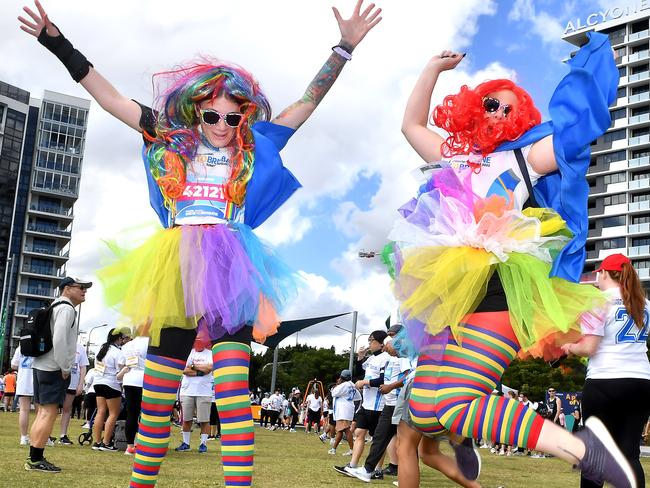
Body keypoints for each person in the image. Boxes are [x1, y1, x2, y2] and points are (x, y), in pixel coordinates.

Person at [19, 1, 381, 486]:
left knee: (232, 397)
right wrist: (57, 42)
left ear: (244, 118)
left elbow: (306, 105)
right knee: (157, 396)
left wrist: (344, 48)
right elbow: (108, 97)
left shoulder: (251, 149)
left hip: (232, 269)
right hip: (176, 271)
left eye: (234, 119)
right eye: (213, 115)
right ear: (196, 108)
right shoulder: (169, 138)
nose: (222, 126)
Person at [390, 30, 636, 487]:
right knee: (423, 408)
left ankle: (582, 449)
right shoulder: (452, 156)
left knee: (454, 403)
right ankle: (463, 446)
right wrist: (432, 69)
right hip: (446, 291)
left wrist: (592, 69)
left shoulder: (523, 158)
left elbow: (572, 132)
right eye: (491, 105)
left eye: (510, 109)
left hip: (500, 283)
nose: (500, 114)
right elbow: (411, 126)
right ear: (472, 108)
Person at [562, 254, 650, 488]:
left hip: (605, 381)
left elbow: (589, 347)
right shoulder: (645, 303)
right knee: (629, 455)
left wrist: (570, 347)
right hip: (641, 382)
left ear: (603, 273)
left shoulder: (597, 301)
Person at [26, 276, 90, 473]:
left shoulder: (55, 306)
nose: (84, 291)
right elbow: (60, 338)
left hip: (42, 365)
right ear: (67, 289)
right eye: (81, 287)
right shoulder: (67, 308)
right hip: (53, 367)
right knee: (49, 413)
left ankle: (34, 457)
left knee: (42, 413)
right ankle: (35, 460)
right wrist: (65, 367)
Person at [335, 330, 390, 475]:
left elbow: (384, 381)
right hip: (366, 403)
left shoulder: (386, 358)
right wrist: (360, 357)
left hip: (379, 405)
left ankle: (377, 470)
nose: (369, 343)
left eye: (371, 340)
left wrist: (366, 382)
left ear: (381, 343)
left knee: (377, 439)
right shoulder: (371, 358)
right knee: (359, 433)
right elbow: (358, 373)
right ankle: (352, 466)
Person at [92, 328, 130, 451]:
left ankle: (97, 441)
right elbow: (119, 372)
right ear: (119, 339)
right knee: (113, 413)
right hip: (111, 383)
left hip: (98, 382)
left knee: (100, 411)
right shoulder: (118, 352)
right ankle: (106, 443)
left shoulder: (102, 349)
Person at [175, 339, 213, 453]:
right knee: (186, 419)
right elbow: (183, 369)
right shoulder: (188, 352)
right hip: (187, 390)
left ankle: (203, 443)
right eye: (196, 340)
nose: (198, 343)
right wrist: (200, 371)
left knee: (204, 420)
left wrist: (192, 366)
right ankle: (186, 443)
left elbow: (209, 368)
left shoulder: (210, 353)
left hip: (204, 391)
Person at [117, 334, 149, 455]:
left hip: (129, 380)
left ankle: (129, 446)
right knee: (145, 413)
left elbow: (121, 364)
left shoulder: (126, 346)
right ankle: (142, 444)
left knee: (132, 413)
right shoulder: (149, 342)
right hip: (145, 380)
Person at [58, 341, 89, 445]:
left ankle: (63, 435)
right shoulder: (59, 343)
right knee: (51, 409)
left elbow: (83, 367)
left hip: (72, 382)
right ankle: (46, 434)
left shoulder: (80, 348)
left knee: (67, 409)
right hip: (58, 381)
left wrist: (80, 384)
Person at [11, 345, 35, 445]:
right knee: (41, 411)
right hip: (38, 379)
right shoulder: (43, 343)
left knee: (24, 410)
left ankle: (24, 437)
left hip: (24, 380)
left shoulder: (21, 346)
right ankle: (42, 437)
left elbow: (13, 365)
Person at [330, 369, 357, 456]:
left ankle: (352, 449)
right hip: (348, 408)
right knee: (341, 430)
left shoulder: (344, 385)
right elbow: (358, 397)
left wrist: (338, 384)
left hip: (342, 410)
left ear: (342, 377)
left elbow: (333, 393)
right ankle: (333, 449)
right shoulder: (352, 385)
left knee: (346, 429)